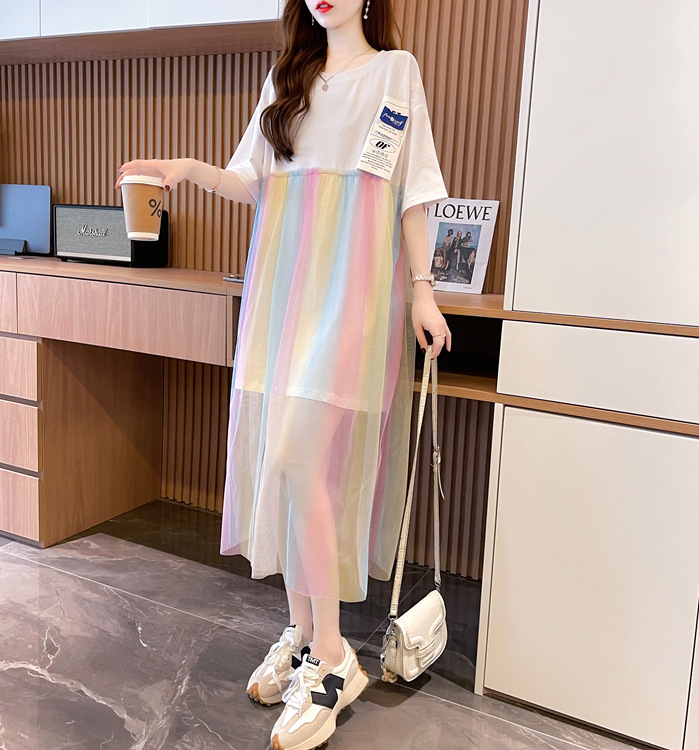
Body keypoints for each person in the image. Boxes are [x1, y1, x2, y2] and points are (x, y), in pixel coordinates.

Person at [116, 1, 451, 748]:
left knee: (303, 459)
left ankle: (333, 657)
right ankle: (303, 635)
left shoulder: (395, 74)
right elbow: (252, 178)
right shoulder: (287, 78)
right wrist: (186, 170)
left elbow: (416, 191)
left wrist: (424, 290)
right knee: (289, 465)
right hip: (283, 296)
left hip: (351, 296)